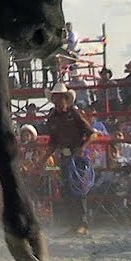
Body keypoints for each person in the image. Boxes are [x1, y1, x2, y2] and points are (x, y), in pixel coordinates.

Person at [38, 82, 96, 235]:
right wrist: (43, 159)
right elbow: (53, 142)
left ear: (65, 98)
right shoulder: (52, 118)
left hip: (76, 157)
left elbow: (91, 133)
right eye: (55, 97)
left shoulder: (74, 114)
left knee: (78, 190)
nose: (57, 100)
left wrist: (82, 148)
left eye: (59, 97)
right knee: (66, 191)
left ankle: (82, 224)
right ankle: (74, 224)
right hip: (64, 157)